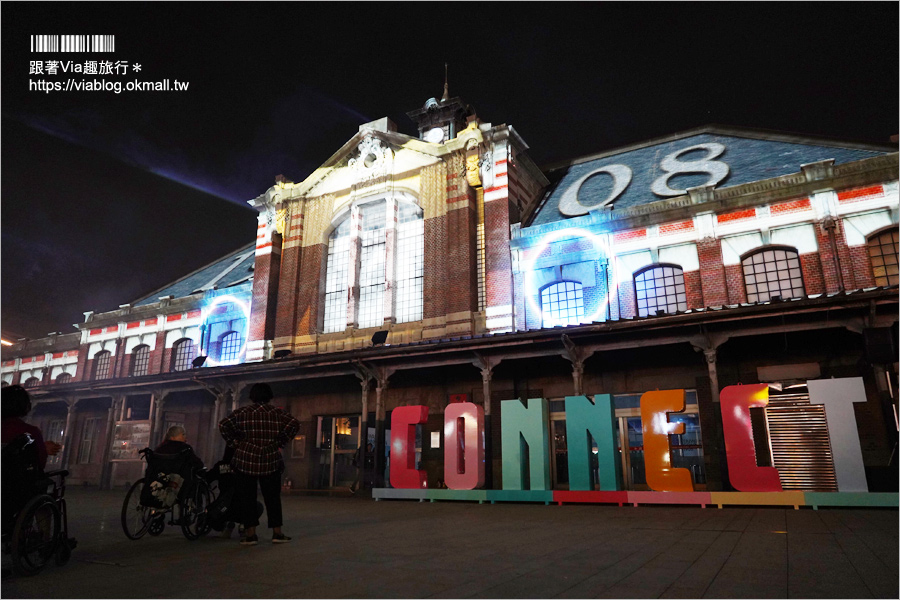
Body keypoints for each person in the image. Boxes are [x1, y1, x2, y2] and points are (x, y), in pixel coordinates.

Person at [219, 383, 299, 546]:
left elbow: (223, 425)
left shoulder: (242, 413)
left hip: (245, 461)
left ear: (252, 396)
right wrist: (281, 441)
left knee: (247, 498)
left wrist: (235, 442)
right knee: (273, 498)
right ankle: (277, 533)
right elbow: (294, 424)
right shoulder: (278, 413)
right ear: (269, 396)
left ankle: (250, 535)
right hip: (270, 460)